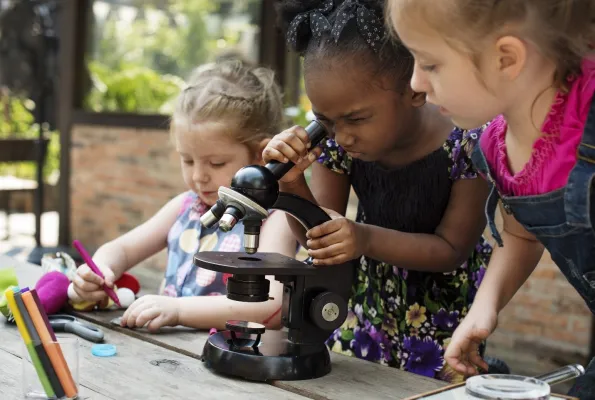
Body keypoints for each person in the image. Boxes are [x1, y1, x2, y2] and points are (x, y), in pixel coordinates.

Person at [261, 0, 492, 383]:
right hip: (362, 308)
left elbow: (452, 250)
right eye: (324, 119)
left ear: (415, 89)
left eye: (356, 118)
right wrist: (291, 184)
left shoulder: (468, 142)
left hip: (445, 320)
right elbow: (319, 241)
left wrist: (363, 237)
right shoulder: (336, 140)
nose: (342, 134)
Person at [387, 0, 595, 396]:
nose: (415, 83)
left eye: (430, 64)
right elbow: (522, 234)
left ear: (506, 58)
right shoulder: (494, 147)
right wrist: (485, 307)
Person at [72, 60, 297, 331]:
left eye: (216, 163)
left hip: (235, 360)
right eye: (188, 160)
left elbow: (270, 306)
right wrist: (98, 271)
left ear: (261, 157)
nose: (199, 176)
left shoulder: (275, 219)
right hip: (171, 356)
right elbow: (120, 249)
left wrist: (178, 310)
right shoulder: (185, 206)